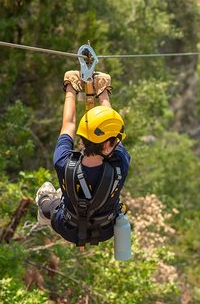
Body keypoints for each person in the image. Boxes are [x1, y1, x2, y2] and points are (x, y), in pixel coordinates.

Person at [35, 71, 130, 247]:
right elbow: (109, 121)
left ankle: (44, 201)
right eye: (116, 141)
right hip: (105, 229)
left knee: (48, 199)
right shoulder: (120, 164)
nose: (117, 143)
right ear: (108, 146)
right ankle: (51, 200)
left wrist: (71, 87)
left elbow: (69, 123)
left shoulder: (63, 161)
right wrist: (103, 91)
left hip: (68, 227)